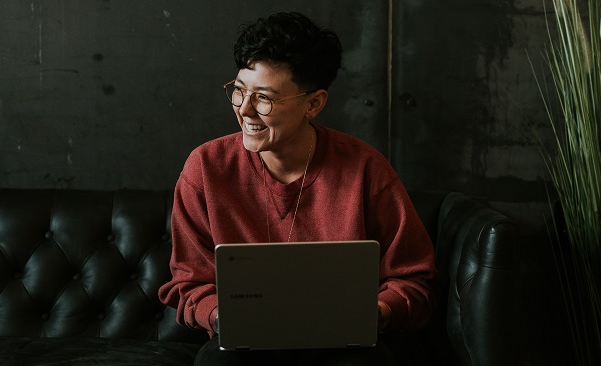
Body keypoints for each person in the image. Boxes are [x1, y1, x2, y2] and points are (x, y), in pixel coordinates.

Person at [158, 11, 437, 366]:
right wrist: (220, 315)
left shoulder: (366, 169)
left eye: (264, 98)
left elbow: (414, 280)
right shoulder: (205, 168)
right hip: (244, 348)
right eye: (239, 91)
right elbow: (189, 283)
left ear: (314, 104)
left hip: (344, 346)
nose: (245, 110)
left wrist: (377, 312)